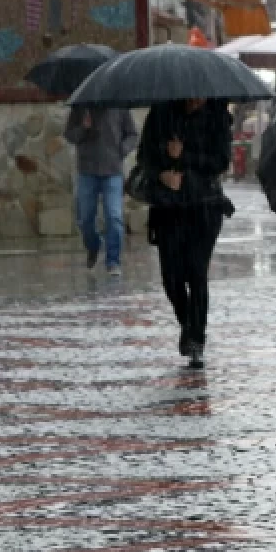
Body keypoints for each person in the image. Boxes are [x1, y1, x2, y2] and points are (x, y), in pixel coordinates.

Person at [135, 99, 234, 369]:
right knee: (172, 277)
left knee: (197, 273)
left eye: (199, 96)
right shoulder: (161, 113)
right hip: (168, 207)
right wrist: (161, 174)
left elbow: (221, 161)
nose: (194, 100)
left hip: (205, 205)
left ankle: (197, 340)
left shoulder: (217, 116)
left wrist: (184, 155)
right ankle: (187, 323)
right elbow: (144, 157)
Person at [62, 106, 137, 276]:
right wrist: (84, 128)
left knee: (114, 217)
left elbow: (132, 134)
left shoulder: (119, 106)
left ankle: (113, 261)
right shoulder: (80, 107)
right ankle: (93, 245)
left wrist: (122, 149)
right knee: (85, 218)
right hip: (87, 170)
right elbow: (70, 135)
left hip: (113, 171)